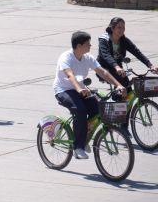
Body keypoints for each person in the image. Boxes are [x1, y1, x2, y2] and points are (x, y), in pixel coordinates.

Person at [53, 31, 125, 159]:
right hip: (63, 90)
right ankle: (78, 147)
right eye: (88, 44)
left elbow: (103, 72)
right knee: (80, 110)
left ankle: (84, 136)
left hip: (80, 89)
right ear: (79, 46)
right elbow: (70, 75)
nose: (90, 45)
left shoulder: (87, 58)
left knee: (97, 109)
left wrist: (118, 85)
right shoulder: (66, 57)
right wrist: (79, 89)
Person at [97, 17, 157, 87]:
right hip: (103, 68)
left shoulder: (123, 40)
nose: (122, 30)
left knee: (127, 87)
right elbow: (106, 55)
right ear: (112, 28)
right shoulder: (104, 40)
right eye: (119, 27)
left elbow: (137, 52)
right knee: (121, 87)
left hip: (117, 68)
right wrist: (117, 67)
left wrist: (150, 65)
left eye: (123, 27)